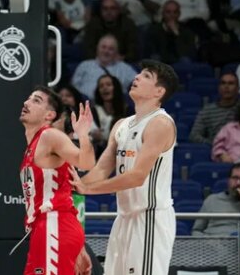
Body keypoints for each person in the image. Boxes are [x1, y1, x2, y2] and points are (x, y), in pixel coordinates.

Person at [72, 60, 179, 275]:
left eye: (146, 76)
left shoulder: (161, 124)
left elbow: (137, 177)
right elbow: (102, 169)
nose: (137, 77)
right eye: (139, 73)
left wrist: (88, 190)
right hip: (123, 218)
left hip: (150, 218)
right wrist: (73, 186)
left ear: (159, 91)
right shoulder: (121, 124)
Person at [19, 87, 94, 275]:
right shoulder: (33, 145)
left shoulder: (49, 136)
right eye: (28, 98)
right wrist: (80, 247)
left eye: (36, 100)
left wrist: (83, 134)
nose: (26, 103)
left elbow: (87, 162)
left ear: (49, 114)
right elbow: (64, 192)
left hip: (55, 225)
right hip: (48, 228)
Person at [192, 163, 240, 236]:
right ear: (229, 180)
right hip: (211, 243)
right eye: (235, 178)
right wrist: (206, 244)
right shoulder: (212, 200)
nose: (238, 183)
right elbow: (196, 231)